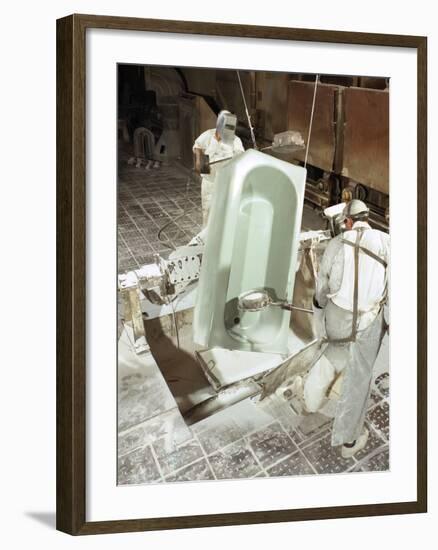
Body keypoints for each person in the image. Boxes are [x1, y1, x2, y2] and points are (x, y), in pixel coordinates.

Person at [293, 199, 389, 458]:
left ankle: (311, 402)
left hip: (337, 320)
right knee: (359, 377)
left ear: (347, 221)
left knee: (329, 357)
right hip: (367, 320)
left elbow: (323, 290)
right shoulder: (385, 241)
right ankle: (349, 443)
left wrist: (318, 310)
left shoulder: (337, 244)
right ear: (367, 219)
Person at [193, 110, 244, 227]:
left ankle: (223, 239)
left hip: (226, 183)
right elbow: (198, 145)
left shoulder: (235, 140)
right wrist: (198, 161)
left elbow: (241, 158)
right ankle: (206, 239)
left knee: (226, 212)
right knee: (208, 210)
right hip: (209, 182)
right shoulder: (208, 135)